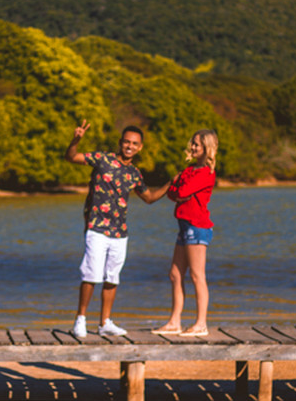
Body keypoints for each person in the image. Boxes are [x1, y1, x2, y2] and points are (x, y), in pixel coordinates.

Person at [65, 120, 169, 338]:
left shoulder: (134, 173)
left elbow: (149, 198)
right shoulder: (103, 159)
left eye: (135, 144)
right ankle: (80, 319)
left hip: (120, 232)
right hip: (97, 227)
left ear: (140, 147)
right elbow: (72, 157)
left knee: (112, 277)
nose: (130, 146)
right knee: (91, 274)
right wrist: (76, 140)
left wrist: (171, 184)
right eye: (127, 142)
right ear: (121, 142)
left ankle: (105, 323)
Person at [152, 129, 218, 337]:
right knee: (175, 274)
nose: (193, 147)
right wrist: (178, 188)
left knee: (197, 275)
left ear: (207, 147)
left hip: (197, 226)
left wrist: (179, 189)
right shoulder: (189, 170)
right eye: (193, 143)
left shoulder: (206, 173)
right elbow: (174, 194)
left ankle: (201, 324)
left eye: (197, 144)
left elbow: (181, 191)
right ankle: (174, 322)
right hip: (184, 225)